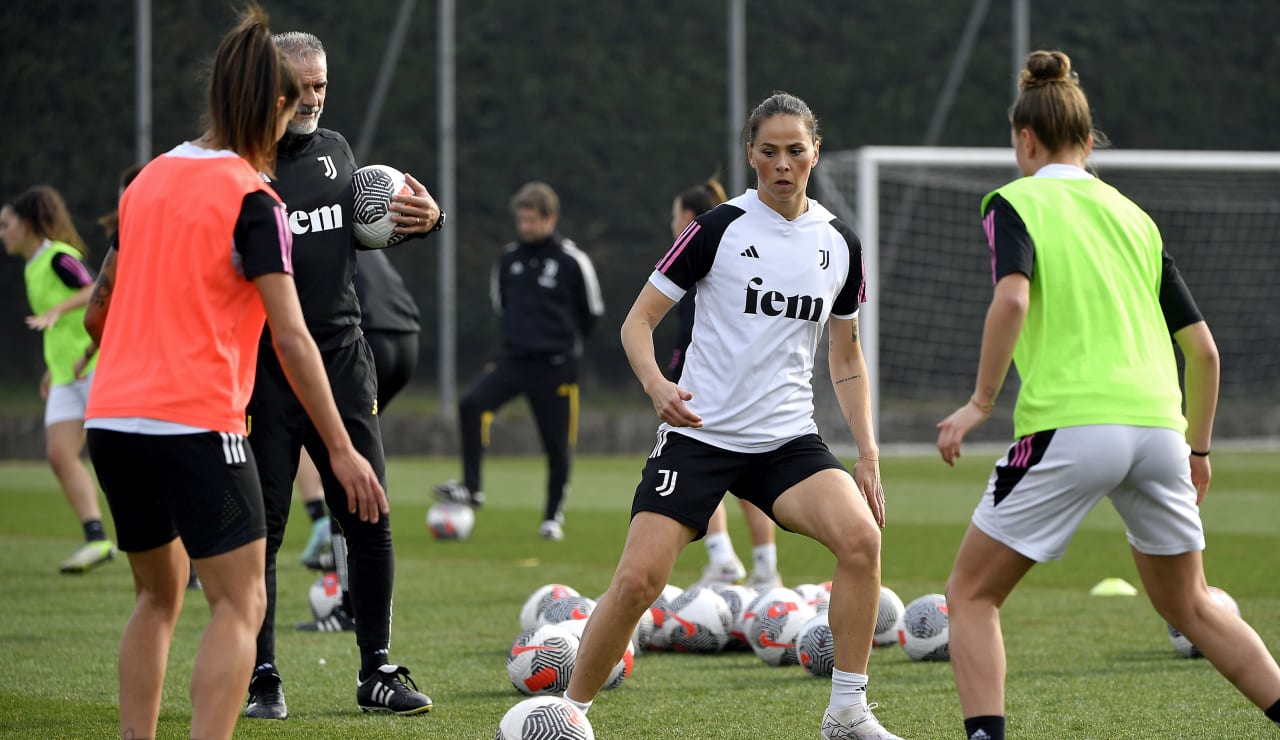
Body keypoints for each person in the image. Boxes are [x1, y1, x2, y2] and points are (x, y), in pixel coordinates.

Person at [935, 50, 1280, 740]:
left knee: (971, 596)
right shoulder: (1136, 218)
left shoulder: (1016, 200)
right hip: (1159, 430)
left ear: (1024, 140)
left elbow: (1011, 299)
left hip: (1070, 427)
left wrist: (979, 401)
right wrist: (1199, 449)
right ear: (1089, 143)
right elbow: (1205, 352)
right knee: (1195, 606)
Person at [81, 8, 385, 739]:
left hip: (111, 421)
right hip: (192, 423)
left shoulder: (148, 180)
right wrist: (342, 449)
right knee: (239, 605)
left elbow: (98, 312)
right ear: (275, 106)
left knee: (156, 599)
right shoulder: (255, 198)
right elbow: (291, 336)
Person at [562, 92, 901, 740]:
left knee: (862, 541)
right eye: (769, 151)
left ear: (815, 153)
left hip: (786, 443)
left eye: (795, 150)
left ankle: (848, 713)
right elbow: (638, 323)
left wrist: (868, 452)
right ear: (750, 154)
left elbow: (847, 353)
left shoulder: (839, 244)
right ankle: (569, 713)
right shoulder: (717, 229)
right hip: (701, 435)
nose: (782, 164)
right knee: (638, 581)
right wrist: (658, 384)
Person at [242, 30, 441, 719]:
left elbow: (373, 223)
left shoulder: (337, 153)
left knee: (370, 509)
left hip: (343, 359)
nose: (313, 100)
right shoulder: (241, 164)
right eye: (299, 88)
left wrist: (426, 218)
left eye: (322, 86)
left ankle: (377, 669)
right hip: (265, 368)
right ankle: (261, 675)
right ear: (268, 88)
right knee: (261, 528)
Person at [434, 181, 605, 541]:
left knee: (557, 445)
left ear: (550, 218)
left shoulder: (573, 260)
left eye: (532, 220)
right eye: (522, 220)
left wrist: (564, 348)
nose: (526, 227)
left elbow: (592, 313)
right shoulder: (509, 259)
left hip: (556, 366)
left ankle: (552, 517)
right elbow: (501, 306)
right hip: (513, 360)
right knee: (471, 404)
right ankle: (473, 488)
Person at [666, 178, 782, 589]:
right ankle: (766, 569)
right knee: (750, 473)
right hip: (750, 380)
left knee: (699, 462)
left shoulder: (701, 249)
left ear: (689, 217)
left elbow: (691, 329)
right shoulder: (744, 248)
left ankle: (722, 558)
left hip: (707, 380)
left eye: (676, 215)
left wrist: (672, 373)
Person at [1, 184, 117, 574]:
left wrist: (55, 312)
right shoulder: (32, 266)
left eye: (6, 224)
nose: (2, 233)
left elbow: (93, 288)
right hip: (67, 375)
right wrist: (53, 368)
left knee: (124, 457)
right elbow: (63, 326)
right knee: (58, 454)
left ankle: (180, 542)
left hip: (96, 366)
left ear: (28, 224)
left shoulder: (57, 257)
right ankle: (97, 539)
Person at [295, 248, 422, 575]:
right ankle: (342, 561)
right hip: (406, 336)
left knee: (340, 464)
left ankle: (346, 595)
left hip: (362, 339)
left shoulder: (284, 220)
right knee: (341, 447)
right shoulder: (341, 216)